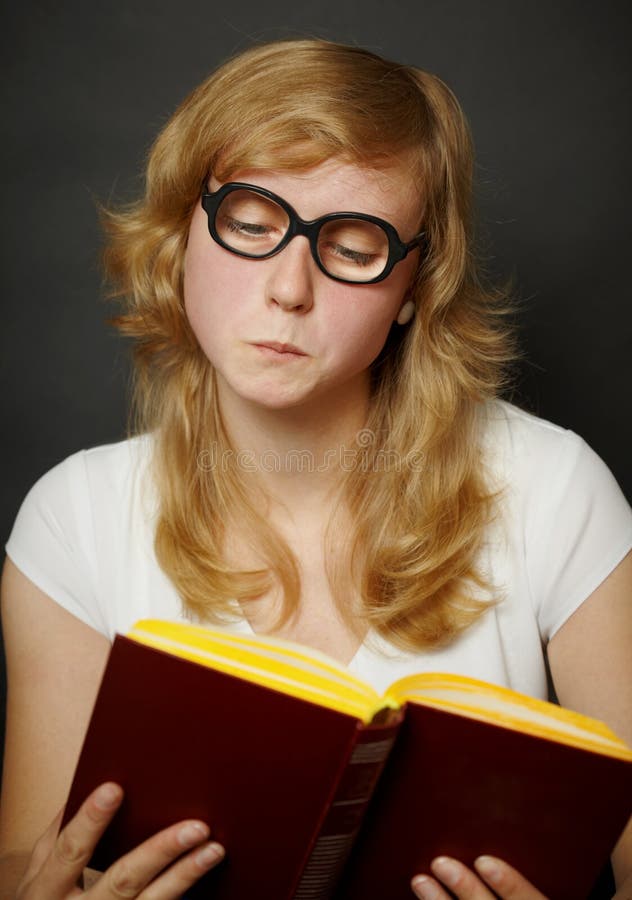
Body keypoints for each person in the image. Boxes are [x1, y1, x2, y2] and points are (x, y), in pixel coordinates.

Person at [1, 38, 630, 900]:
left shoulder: (556, 491)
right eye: (251, 223)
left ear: (414, 287)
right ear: (184, 233)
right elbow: (24, 861)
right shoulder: (74, 518)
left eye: (356, 245)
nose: (289, 288)